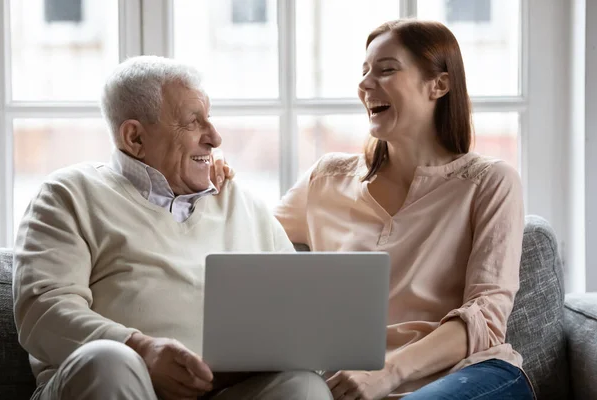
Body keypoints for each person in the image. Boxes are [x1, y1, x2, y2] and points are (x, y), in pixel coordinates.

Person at [214, 19, 535, 399]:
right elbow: (248, 247)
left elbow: (486, 317)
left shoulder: (490, 182)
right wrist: (218, 190)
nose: (365, 85)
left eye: (386, 70)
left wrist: (387, 372)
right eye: (364, 72)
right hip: (353, 385)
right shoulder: (326, 180)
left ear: (439, 84)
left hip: (471, 375)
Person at [12, 56, 333, 400]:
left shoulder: (243, 204)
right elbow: (43, 311)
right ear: (135, 137)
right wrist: (141, 350)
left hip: (224, 391)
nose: (214, 137)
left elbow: (299, 319)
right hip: (113, 383)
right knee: (109, 360)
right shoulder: (69, 194)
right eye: (194, 123)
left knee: (305, 386)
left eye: (209, 119)